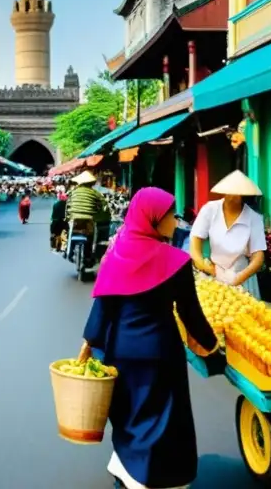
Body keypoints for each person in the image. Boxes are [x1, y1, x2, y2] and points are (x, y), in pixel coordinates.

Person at [80, 187, 219, 489]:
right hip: (160, 354)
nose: (175, 220)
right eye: (170, 214)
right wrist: (212, 346)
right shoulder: (176, 261)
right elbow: (190, 314)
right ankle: (156, 477)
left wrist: (89, 344)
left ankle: (128, 469)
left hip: (120, 352)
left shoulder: (116, 255)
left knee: (129, 415)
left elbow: (102, 310)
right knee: (163, 420)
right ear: (154, 218)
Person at [189, 170, 267, 299]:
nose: (233, 196)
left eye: (238, 192)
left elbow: (258, 257)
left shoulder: (254, 217)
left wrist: (240, 277)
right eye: (231, 191)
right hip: (213, 273)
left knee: (243, 313)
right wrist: (203, 265)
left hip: (242, 275)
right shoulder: (210, 209)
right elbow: (195, 243)